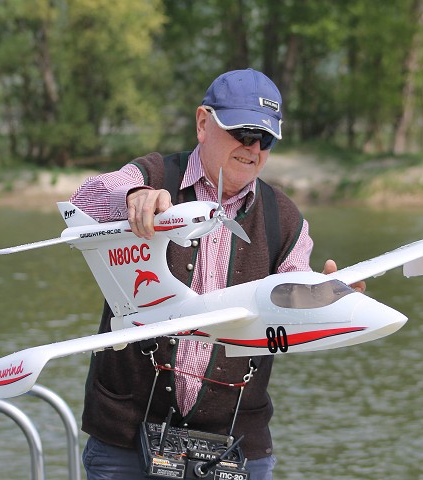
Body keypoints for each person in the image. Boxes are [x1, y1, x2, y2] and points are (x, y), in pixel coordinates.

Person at [69, 68, 362, 480]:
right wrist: (132, 197)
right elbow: (84, 198)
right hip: (124, 445)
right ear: (203, 123)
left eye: (265, 138)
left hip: (239, 449)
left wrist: (332, 295)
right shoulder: (152, 174)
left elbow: (293, 306)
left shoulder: (286, 218)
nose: (253, 147)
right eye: (242, 131)